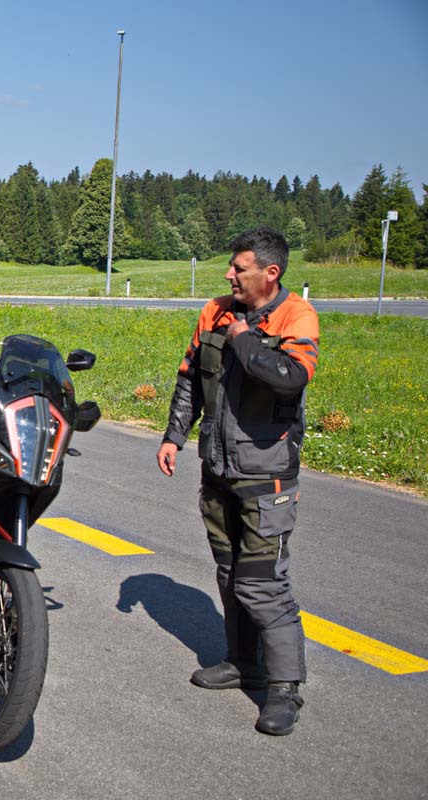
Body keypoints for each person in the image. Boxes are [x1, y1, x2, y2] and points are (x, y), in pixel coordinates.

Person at [156, 226, 319, 736]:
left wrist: (245, 336)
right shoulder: (214, 311)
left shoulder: (296, 317)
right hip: (218, 468)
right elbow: (190, 378)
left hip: (266, 475)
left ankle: (285, 689)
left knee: (263, 584)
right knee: (229, 576)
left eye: (239, 268)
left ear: (270, 273)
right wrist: (174, 436)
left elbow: (290, 378)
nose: (229, 274)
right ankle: (242, 663)